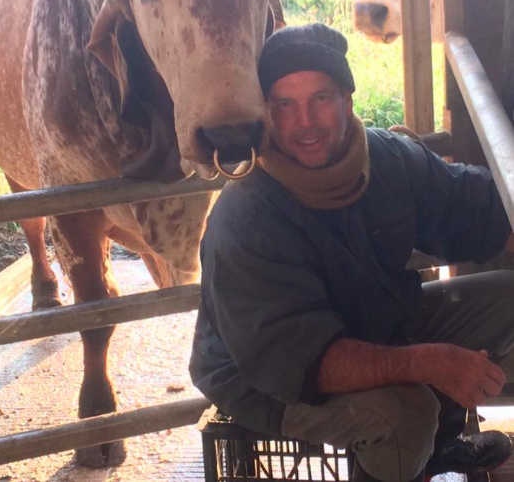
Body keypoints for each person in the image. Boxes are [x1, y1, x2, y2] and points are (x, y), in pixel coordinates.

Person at [190, 24, 514, 482]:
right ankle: (408, 454)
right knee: (405, 415)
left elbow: (480, 210)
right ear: (265, 114)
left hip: (369, 325)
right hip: (265, 376)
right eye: (285, 104)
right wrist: (431, 361)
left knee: (508, 298)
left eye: (321, 98)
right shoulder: (246, 218)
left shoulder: (387, 158)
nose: (305, 122)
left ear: (348, 100)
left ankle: (434, 452)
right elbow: (307, 363)